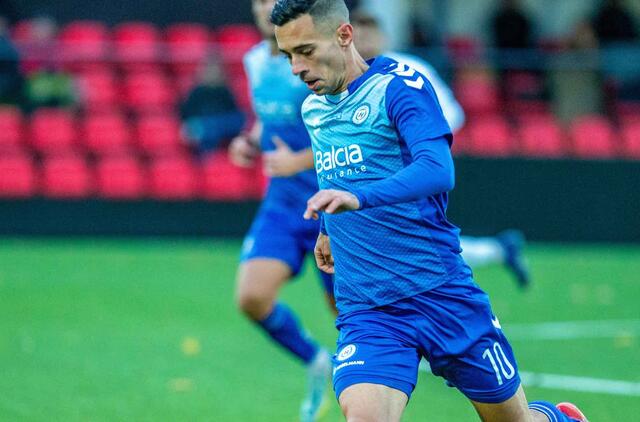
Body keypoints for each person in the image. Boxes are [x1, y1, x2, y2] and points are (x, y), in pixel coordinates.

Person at [272, 1, 588, 421]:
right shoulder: (313, 109)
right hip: (369, 307)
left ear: (344, 35)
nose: (296, 67)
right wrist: (328, 228)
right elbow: (334, 171)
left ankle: (556, 417)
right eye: (288, 55)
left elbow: (437, 170)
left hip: (439, 292)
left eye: (306, 51)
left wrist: (359, 198)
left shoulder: (399, 87)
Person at [352, 9, 530, 287]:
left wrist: (421, 146)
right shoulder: (347, 77)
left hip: (410, 169)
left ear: (384, 37)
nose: (364, 43)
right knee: (409, 240)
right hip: (373, 172)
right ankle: (497, 250)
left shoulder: (409, 69)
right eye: (358, 36)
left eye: (369, 35)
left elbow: (451, 114)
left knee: (411, 239)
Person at [229, 1, 333, 420]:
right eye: (258, 1)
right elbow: (267, 120)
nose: (265, 7)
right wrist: (249, 142)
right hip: (284, 202)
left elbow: (344, 131)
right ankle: (316, 360)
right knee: (252, 297)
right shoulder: (255, 60)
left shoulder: (318, 57)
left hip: (332, 204)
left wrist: (299, 161)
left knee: (350, 316)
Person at [180, 58, 245, 154]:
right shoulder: (197, 92)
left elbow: (235, 118)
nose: (214, 73)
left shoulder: (225, 92)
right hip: (203, 132)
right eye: (211, 70)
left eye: (217, 70)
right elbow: (186, 116)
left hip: (220, 129)